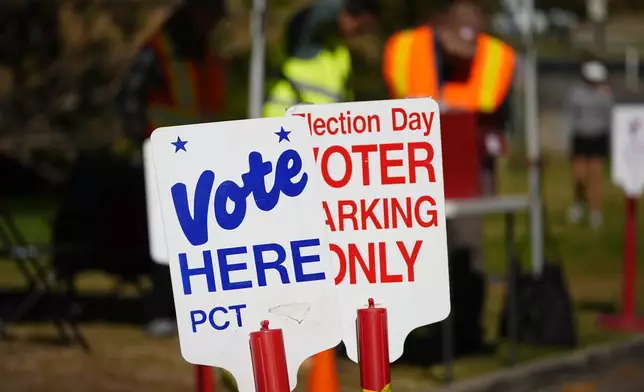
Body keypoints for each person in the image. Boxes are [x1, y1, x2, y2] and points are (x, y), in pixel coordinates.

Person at [381, 0, 517, 353]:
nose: (463, 58)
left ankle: (466, 330)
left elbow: (488, 110)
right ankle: (421, 333)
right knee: (418, 253)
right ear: (440, 28)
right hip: (414, 167)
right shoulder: (407, 49)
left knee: (467, 247)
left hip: (467, 167)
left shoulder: (495, 58)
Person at [116, 0, 228, 338]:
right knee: (166, 239)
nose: (214, 23)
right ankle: (161, 310)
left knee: (200, 236)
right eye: (211, 15)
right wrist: (146, 139)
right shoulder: (161, 49)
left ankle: (193, 308)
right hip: (164, 154)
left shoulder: (203, 50)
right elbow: (129, 98)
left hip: (200, 156)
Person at [262, 0, 380, 117]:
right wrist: (346, 7)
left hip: (319, 128)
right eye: (360, 28)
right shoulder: (304, 41)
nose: (360, 34)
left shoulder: (337, 51)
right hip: (285, 123)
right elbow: (313, 14)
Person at [565, 60, 612, 230]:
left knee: (596, 177)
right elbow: (570, 114)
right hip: (581, 137)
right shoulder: (576, 93)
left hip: (598, 137)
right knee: (579, 176)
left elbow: (609, 116)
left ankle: (595, 212)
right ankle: (578, 204)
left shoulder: (605, 94)